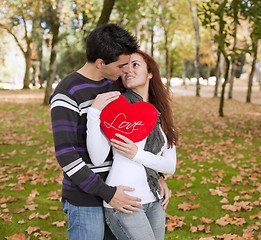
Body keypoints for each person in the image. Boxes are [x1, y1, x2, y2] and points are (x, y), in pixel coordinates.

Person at [49, 24, 171, 240]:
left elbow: (136, 135)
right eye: (121, 65)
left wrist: (156, 177)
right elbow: (66, 155)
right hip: (85, 198)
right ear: (100, 63)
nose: (125, 70)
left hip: (122, 193)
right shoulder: (66, 93)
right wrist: (108, 193)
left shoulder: (115, 87)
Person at [86, 49, 178, 240]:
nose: (128, 70)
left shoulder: (162, 114)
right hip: (124, 202)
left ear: (150, 72)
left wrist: (137, 155)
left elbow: (170, 165)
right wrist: (94, 114)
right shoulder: (116, 106)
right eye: (124, 66)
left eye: (135, 64)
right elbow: (97, 157)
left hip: (155, 200)